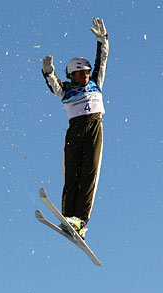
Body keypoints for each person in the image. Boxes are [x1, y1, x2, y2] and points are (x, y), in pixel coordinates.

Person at [41, 17, 109, 240]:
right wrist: (49, 72)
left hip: (94, 129)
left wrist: (102, 40)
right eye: (80, 74)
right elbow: (54, 85)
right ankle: (68, 217)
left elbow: (102, 61)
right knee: (72, 173)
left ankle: (80, 221)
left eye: (86, 73)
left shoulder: (95, 83)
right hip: (75, 130)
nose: (85, 76)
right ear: (71, 75)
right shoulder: (66, 89)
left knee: (89, 173)